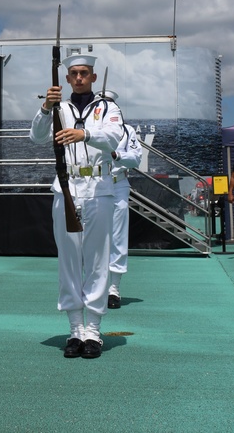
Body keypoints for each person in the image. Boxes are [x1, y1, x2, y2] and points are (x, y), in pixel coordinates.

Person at [29, 55, 123, 358]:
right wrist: (45, 108)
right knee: (68, 260)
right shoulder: (60, 108)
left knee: (97, 260)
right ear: (67, 79)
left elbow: (113, 138)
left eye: (84, 73)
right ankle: (75, 330)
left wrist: (85, 133)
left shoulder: (108, 108)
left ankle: (93, 331)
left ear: (93, 78)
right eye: (74, 74)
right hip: (67, 186)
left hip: (99, 189)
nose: (79, 78)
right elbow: (37, 137)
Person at [105, 91, 142, 310]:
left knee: (118, 237)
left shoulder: (127, 131)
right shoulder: (89, 129)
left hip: (118, 184)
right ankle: (94, 285)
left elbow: (136, 158)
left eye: (110, 104)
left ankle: (114, 289)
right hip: (93, 184)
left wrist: (117, 156)